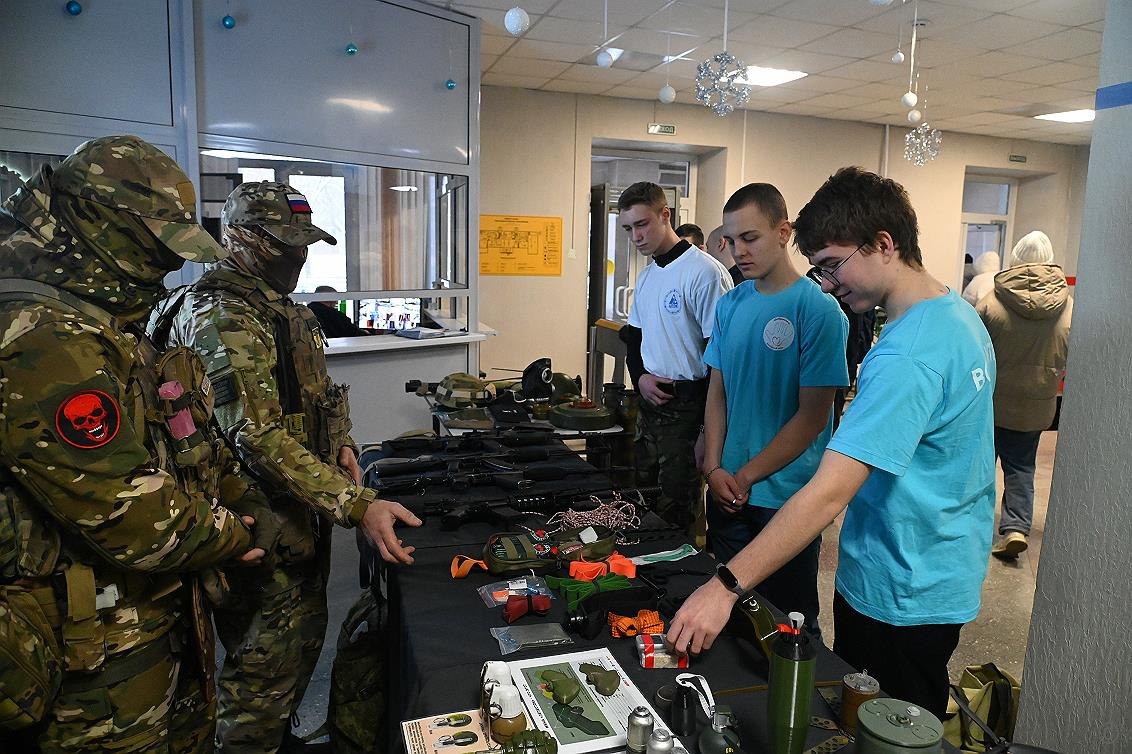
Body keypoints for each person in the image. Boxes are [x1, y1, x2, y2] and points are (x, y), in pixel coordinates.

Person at [667, 167, 996, 719]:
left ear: (883, 245)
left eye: (833, 264)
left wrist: (724, 586)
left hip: (902, 582)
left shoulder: (906, 355)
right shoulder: (957, 318)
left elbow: (828, 493)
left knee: (882, 724)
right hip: (939, 564)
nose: (828, 282)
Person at [0, 135, 265, 752]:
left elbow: (177, 436)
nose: (170, 267)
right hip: (86, 666)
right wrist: (236, 532)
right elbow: (137, 520)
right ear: (99, 229)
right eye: (156, 249)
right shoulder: (41, 337)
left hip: (138, 628)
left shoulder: (99, 324)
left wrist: (225, 492)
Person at [166, 181, 422, 752]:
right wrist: (356, 504)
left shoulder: (279, 306)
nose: (299, 256)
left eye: (304, 243)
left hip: (295, 507)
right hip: (252, 518)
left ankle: (276, 736)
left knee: (301, 642)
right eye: (283, 244)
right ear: (237, 238)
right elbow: (254, 435)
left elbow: (311, 393)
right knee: (262, 665)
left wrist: (343, 443)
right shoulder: (222, 312)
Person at [702, 183, 848, 634]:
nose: (738, 251)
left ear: (784, 232)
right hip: (726, 492)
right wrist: (713, 469)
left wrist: (745, 476)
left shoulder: (819, 311)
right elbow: (717, 395)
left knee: (790, 624)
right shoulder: (730, 305)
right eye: (730, 240)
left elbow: (812, 418)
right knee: (726, 614)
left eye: (751, 237)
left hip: (784, 499)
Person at [617, 182, 732, 531]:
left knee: (677, 515)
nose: (636, 236)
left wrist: (705, 432)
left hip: (688, 409)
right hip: (651, 406)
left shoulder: (704, 273)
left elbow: (721, 360)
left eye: (642, 224)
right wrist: (639, 378)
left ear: (665, 215)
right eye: (628, 229)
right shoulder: (649, 275)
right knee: (643, 503)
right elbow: (633, 338)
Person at [976, 231, 1071, 559]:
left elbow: (972, 352)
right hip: (1036, 405)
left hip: (990, 402)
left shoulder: (991, 301)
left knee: (981, 465)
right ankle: (1015, 528)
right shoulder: (1070, 308)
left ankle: (974, 525)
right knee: (1021, 467)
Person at [308, 285, 375, 337]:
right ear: (331, 299)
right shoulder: (334, 315)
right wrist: (367, 333)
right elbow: (353, 332)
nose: (336, 302)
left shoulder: (306, 312)